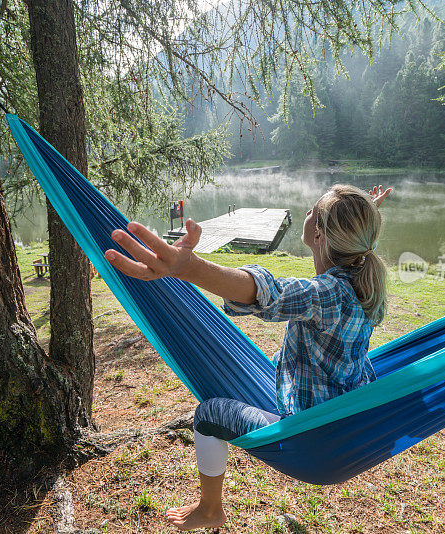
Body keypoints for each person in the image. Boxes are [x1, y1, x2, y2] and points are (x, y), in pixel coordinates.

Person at [104, 184, 393, 531]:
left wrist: (190, 267)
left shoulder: (327, 294)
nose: (306, 212)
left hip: (312, 441)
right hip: (349, 418)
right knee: (277, 358)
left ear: (319, 234)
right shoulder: (364, 278)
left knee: (208, 414)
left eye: (312, 211)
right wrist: (364, 214)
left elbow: (268, 292)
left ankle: (210, 509)